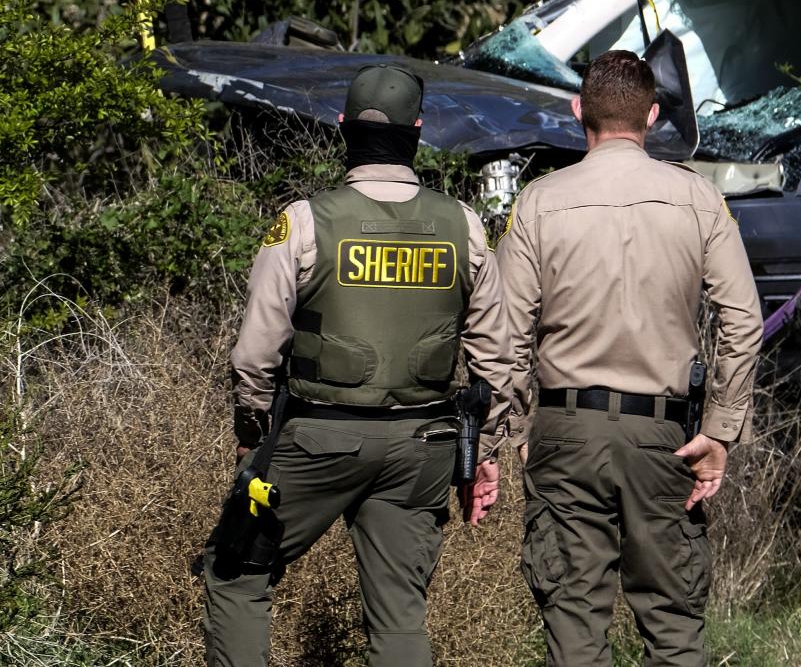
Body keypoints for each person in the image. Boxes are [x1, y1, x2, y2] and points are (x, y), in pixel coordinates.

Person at [200, 64, 511, 667]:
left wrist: (252, 437)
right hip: (425, 445)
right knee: (398, 614)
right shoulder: (465, 226)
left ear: (344, 128)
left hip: (317, 438)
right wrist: (486, 453)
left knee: (235, 571)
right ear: (416, 132)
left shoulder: (303, 221)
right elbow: (496, 360)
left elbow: (255, 354)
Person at [495, 50, 763, 666]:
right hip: (664, 435)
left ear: (577, 111)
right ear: (652, 115)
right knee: (672, 629)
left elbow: (505, 332)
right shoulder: (699, 200)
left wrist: (516, 430)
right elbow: (742, 322)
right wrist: (720, 430)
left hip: (565, 428)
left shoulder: (538, 203)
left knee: (574, 629)